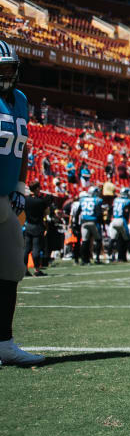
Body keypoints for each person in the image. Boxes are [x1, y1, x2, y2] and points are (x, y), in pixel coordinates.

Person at [0, 39, 43, 365]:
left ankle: (4, 342)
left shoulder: (21, 100)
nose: (5, 73)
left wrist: (20, 185)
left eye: (9, 67)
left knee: (12, 269)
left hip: (6, 198)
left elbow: (24, 146)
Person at [22, 181, 50, 275]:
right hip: (37, 226)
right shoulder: (41, 201)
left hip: (28, 225)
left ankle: (24, 269)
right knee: (36, 249)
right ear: (37, 188)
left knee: (26, 249)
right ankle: (37, 270)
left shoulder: (26, 199)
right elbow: (47, 213)